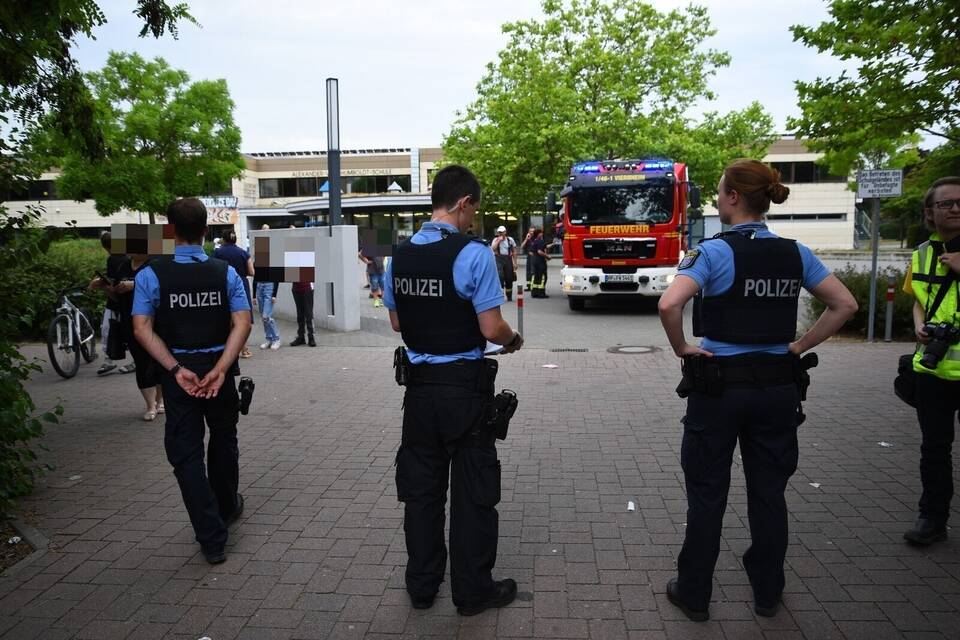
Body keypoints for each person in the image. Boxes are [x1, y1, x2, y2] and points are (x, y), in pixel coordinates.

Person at [657, 159, 857, 621]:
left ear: (731, 198)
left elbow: (670, 303)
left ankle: (694, 593)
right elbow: (844, 303)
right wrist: (799, 345)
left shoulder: (713, 252)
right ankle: (767, 591)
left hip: (719, 388)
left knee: (708, 492)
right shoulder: (795, 252)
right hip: (776, 388)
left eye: (720, 191)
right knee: (769, 492)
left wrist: (683, 348)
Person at [383, 165, 523, 616]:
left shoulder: (397, 257)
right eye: (473, 211)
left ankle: (422, 586)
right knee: (473, 493)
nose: (473, 220)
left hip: (419, 395)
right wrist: (513, 339)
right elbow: (491, 326)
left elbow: (398, 323)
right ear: (463, 203)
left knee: (421, 493)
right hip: (465, 390)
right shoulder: (474, 254)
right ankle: (471, 591)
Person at [132, 197, 252, 565]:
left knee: (186, 455)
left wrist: (174, 369)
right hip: (218, 369)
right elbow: (243, 322)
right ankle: (227, 507)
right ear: (205, 231)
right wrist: (220, 367)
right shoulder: (224, 272)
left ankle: (211, 537)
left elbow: (141, 327)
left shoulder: (151, 274)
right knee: (223, 438)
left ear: (170, 231)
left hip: (178, 374)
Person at [902, 176, 960, 546]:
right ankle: (932, 519)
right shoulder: (922, 253)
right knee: (934, 449)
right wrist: (921, 328)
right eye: (946, 204)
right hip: (934, 368)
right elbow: (918, 299)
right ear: (930, 212)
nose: (955, 209)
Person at [113, 252, 163, 420]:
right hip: (130, 319)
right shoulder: (123, 266)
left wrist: (134, 285)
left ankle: (160, 399)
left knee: (158, 359)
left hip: (155, 319)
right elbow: (115, 295)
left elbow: (163, 286)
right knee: (141, 361)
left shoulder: (156, 263)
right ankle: (150, 405)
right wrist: (107, 287)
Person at [90, 231, 135, 375]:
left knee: (108, 330)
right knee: (125, 332)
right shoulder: (128, 257)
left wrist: (103, 285)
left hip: (119, 302)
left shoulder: (114, 259)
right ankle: (122, 361)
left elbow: (114, 287)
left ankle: (110, 361)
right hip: (129, 302)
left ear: (106, 247)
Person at [214, 229, 255, 359]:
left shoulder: (218, 252)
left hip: (223, 284)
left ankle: (229, 349)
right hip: (241, 284)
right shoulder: (243, 253)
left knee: (226, 317)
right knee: (242, 318)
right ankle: (244, 348)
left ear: (224, 239)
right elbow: (252, 272)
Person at [252, 270, 280, 350]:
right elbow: (255, 278)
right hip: (259, 286)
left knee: (266, 316)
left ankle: (276, 339)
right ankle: (269, 339)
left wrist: (274, 295)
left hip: (269, 286)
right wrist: (254, 296)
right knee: (263, 317)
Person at [491, 225, 517, 301]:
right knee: (500, 277)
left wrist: (515, 263)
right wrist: (498, 240)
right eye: (499, 232)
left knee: (509, 278)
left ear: (505, 232)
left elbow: (514, 251)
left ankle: (509, 296)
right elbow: (492, 248)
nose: (500, 234)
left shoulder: (510, 240)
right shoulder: (495, 239)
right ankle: (500, 296)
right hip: (498, 259)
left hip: (508, 259)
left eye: (502, 232)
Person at [290, 279, 316, 346]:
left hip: (307, 288)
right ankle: (301, 337)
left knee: (309, 314)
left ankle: (311, 337)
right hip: (296, 289)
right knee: (300, 314)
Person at [528, 228, 550, 298]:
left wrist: (553, 244)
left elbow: (531, 252)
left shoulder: (534, 241)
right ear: (539, 234)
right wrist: (547, 256)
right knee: (543, 277)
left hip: (534, 261)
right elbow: (540, 251)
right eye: (541, 233)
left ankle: (534, 293)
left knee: (536, 276)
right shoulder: (540, 241)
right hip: (540, 261)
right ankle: (541, 293)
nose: (542, 234)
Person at [520, 227, 536, 291]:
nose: (532, 232)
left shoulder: (536, 238)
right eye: (530, 231)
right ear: (528, 232)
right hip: (529, 257)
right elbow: (522, 246)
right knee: (528, 271)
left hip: (535, 257)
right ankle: (529, 286)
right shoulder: (528, 239)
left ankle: (533, 286)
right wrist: (526, 239)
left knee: (533, 271)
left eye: (533, 231)